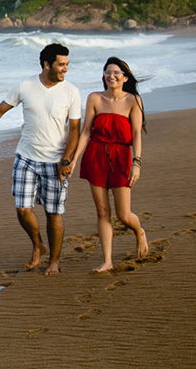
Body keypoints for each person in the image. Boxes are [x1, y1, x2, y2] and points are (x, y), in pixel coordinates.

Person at [0, 43, 82, 276]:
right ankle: (38, 245)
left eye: (67, 64)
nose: (66, 68)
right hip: (26, 157)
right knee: (23, 209)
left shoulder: (71, 92)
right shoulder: (26, 86)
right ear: (47, 64)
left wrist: (67, 160)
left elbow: (75, 129)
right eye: (61, 64)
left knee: (53, 212)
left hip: (55, 161)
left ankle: (54, 261)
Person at [74, 57, 149, 272]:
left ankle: (139, 232)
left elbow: (136, 133)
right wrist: (75, 159)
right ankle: (107, 260)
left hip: (121, 157)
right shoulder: (94, 98)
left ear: (125, 77)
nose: (111, 76)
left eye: (116, 72)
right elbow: (86, 131)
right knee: (102, 212)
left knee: (123, 215)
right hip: (95, 156)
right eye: (108, 72)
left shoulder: (133, 100)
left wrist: (137, 162)